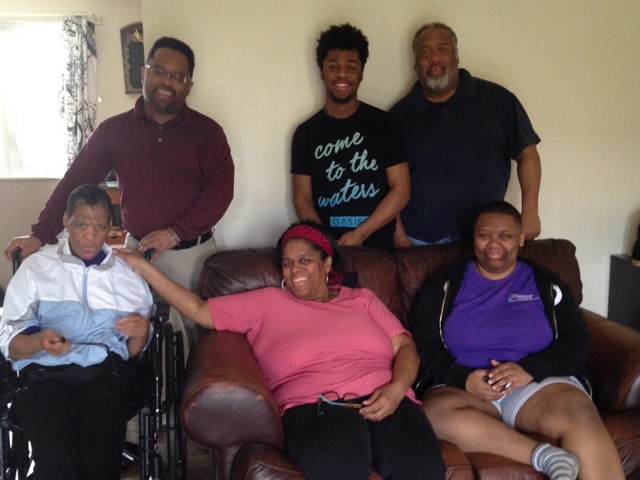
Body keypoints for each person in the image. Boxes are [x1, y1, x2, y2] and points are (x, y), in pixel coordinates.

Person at [115, 221, 445, 479]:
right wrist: (145, 269)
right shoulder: (267, 302)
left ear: (327, 263)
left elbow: (405, 347)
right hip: (314, 406)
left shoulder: (362, 300)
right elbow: (200, 311)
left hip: (385, 397)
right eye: (287, 263)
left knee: (421, 467)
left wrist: (396, 389)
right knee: (338, 469)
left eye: (305, 260)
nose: (295, 270)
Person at [4, 36, 234, 340]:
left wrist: (176, 232)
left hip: (192, 256)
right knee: (131, 339)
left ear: (188, 85)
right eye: (160, 71)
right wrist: (39, 234)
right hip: (137, 252)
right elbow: (75, 181)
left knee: (198, 346)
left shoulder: (208, 132)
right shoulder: (114, 131)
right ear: (144, 73)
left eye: (178, 77)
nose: (167, 82)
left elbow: (221, 191)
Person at [409, 200, 624, 480]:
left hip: (536, 387)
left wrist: (530, 369)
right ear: (473, 237)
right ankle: (544, 456)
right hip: (465, 391)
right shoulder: (444, 285)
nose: (493, 244)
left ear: (521, 238)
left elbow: (577, 343)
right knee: (433, 417)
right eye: (484, 235)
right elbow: (424, 345)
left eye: (505, 236)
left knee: (580, 414)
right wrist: (463, 378)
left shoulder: (546, 283)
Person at [0, 184, 153, 480]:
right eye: (81, 224)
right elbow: (11, 343)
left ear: (110, 228)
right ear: (66, 221)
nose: (90, 235)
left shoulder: (127, 275)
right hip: (45, 375)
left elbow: (132, 352)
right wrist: (39, 340)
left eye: (100, 227)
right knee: (58, 461)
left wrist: (140, 334)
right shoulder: (36, 269)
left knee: (100, 462)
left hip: (105, 374)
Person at [390, 22, 542, 247]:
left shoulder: (497, 100)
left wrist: (530, 212)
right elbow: (386, 184)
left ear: (456, 57)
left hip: (486, 240)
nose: (435, 59)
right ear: (415, 64)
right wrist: (399, 237)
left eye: (443, 49)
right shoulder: (397, 117)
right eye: (425, 52)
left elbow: (527, 154)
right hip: (421, 243)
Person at [291, 24, 410, 250]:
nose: (342, 74)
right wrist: (326, 243)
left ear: (362, 73)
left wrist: (360, 234)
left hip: (378, 248)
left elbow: (401, 190)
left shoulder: (384, 124)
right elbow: (301, 199)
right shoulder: (306, 133)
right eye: (333, 66)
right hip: (326, 251)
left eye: (351, 67)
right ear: (321, 71)